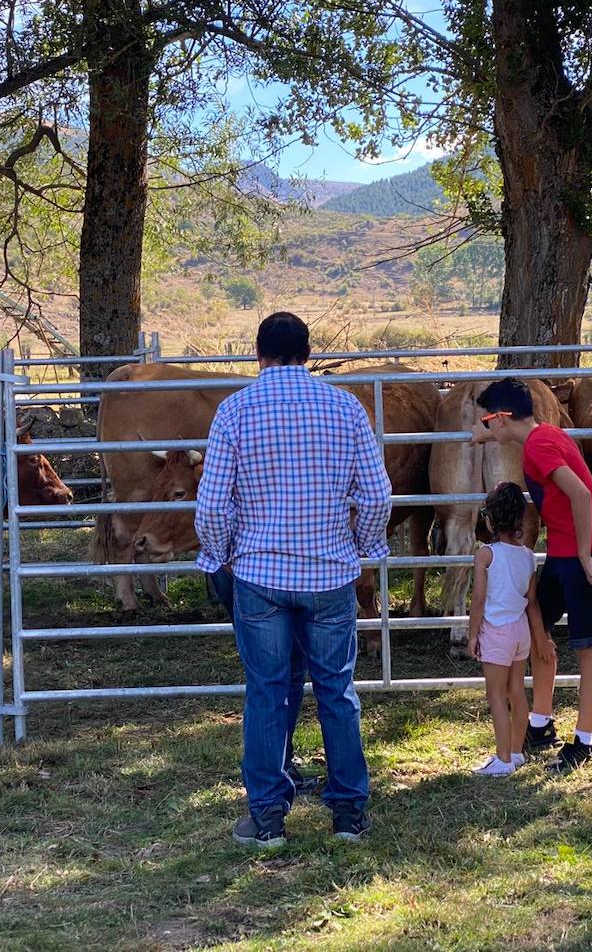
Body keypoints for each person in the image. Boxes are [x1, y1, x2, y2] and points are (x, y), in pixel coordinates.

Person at [196, 311, 391, 848]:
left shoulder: (235, 410)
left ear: (258, 353)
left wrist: (221, 555)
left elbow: (212, 504)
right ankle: (349, 812)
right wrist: (362, 546)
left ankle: (266, 818)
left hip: (259, 574)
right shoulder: (346, 407)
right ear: (309, 353)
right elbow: (376, 496)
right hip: (330, 575)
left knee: (266, 693)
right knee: (337, 690)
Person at [471, 377, 592, 772]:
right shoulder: (543, 434)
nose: (485, 428)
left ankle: (584, 741)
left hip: (583, 554)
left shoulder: (538, 447)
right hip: (563, 552)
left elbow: (582, 495)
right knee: (537, 627)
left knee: (587, 646)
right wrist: (484, 437)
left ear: (502, 418)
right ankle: (540, 722)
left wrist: (587, 557)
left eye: (487, 422)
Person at [206, 566, 320, 795]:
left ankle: (269, 780)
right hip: (268, 570)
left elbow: (210, 529)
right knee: (286, 669)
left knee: (268, 677)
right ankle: (273, 776)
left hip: (245, 567)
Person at [465, 482, 541, 776]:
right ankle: (516, 751)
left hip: (496, 631)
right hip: (520, 630)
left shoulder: (485, 554)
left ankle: (502, 759)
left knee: (495, 695)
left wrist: (472, 635)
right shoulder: (528, 556)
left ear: (490, 518)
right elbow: (530, 599)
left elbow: (479, 599)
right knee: (517, 691)